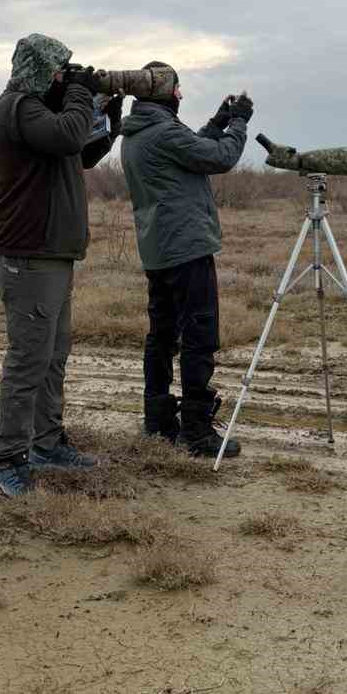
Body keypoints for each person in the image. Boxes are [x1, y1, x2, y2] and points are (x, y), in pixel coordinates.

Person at [0, 33, 121, 496]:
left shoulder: (42, 113)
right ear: (40, 70)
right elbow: (65, 135)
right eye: (61, 71)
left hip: (52, 255)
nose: (66, 77)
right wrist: (82, 93)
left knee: (53, 357)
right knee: (28, 361)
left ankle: (46, 443)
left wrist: (109, 116)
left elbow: (80, 151)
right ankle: (7, 460)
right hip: (28, 256)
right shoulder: (18, 107)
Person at [119, 64, 252, 457]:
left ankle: (158, 420)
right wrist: (240, 123)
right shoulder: (163, 132)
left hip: (159, 249)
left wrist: (218, 120)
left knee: (161, 336)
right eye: (177, 89)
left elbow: (191, 148)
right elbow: (219, 157)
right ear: (165, 93)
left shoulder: (139, 133)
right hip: (187, 249)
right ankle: (197, 430)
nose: (180, 95)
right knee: (200, 334)